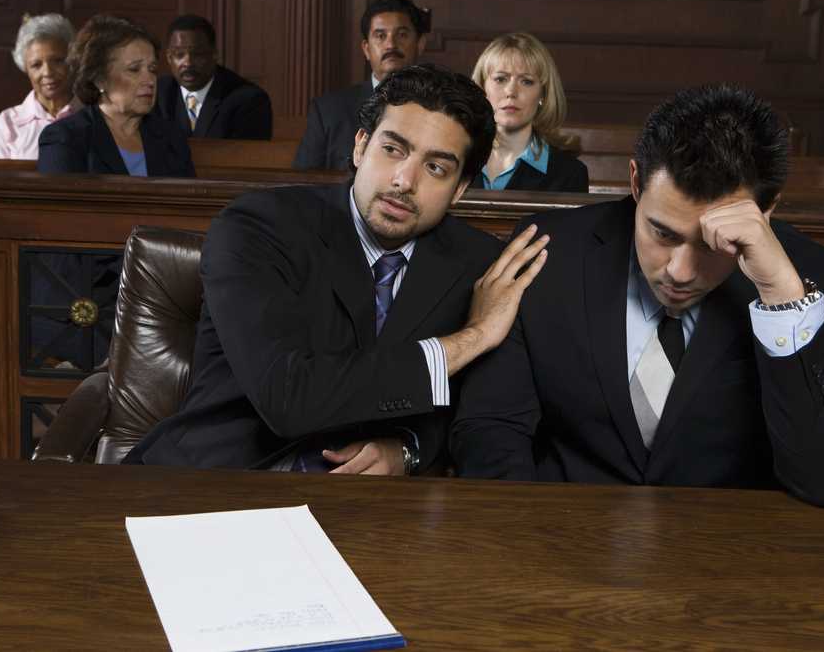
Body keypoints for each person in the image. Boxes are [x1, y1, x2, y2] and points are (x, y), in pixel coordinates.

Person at [451, 84, 824, 506]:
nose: (679, 271)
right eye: (661, 232)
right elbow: (491, 429)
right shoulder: (549, 252)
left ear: (765, 211)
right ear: (636, 182)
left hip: (735, 556)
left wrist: (781, 299)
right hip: (556, 540)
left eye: (714, 244)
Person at [126, 64, 549, 474]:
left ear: (459, 189)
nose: (405, 179)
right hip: (221, 480)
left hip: (371, 510)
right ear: (361, 146)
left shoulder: (477, 264)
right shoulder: (258, 227)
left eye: (436, 167)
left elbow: (476, 412)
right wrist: (473, 338)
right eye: (392, 149)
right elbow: (289, 398)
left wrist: (408, 449)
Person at [38, 15, 195, 177]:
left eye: (152, 69)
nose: (150, 80)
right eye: (134, 69)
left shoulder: (172, 138)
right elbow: (62, 202)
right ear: (99, 80)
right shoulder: (65, 138)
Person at [293, 0, 429, 171]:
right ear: (366, 48)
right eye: (380, 36)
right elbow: (303, 181)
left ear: (420, 43)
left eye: (402, 35)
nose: (390, 45)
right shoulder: (329, 110)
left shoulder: (441, 109)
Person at [470, 33, 587, 192]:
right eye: (500, 79)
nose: (511, 91)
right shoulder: (459, 157)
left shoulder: (570, 174)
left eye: (526, 81)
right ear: (482, 88)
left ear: (543, 94)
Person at [154, 14, 273, 140]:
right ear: (169, 58)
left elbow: (248, 157)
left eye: (198, 54)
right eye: (179, 55)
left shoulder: (248, 100)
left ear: (214, 55)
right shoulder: (157, 93)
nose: (187, 63)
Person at [0, 14, 80, 160]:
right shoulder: (6, 125)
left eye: (58, 61)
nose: (47, 72)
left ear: (72, 60)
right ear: (25, 68)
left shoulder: (98, 117)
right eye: (36, 65)